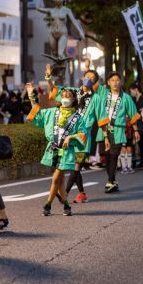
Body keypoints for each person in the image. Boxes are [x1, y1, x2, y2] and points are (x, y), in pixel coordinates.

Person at [47, 64, 108, 203]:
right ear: (83, 77)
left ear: (95, 82)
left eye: (92, 78)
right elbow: (55, 91)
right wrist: (49, 78)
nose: (89, 80)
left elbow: (102, 118)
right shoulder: (73, 92)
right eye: (87, 77)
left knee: (76, 166)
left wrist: (106, 137)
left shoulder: (96, 98)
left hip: (82, 137)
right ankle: (82, 193)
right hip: (68, 134)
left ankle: (65, 194)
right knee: (69, 166)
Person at [26, 84, 88, 216]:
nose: (66, 98)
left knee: (56, 178)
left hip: (66, 151)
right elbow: (37, 114)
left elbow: (83, 135)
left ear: (73, 100)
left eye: (69, 96)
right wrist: (31, 96)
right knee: (60, 179)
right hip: (53, 148)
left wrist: (71, 137)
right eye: (64, 96)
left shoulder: (78, 118)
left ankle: (47, 205)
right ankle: (66, 206)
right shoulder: (52, 112)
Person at [97, 72, 140, 193]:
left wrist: (136, 130)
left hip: (118, 130)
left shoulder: (126, 98)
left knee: (114, 156)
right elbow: (92, 85)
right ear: (108, 82)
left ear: (120, 82)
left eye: (117, 80)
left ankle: (110, 181)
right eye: (112, 80)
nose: (115, 82)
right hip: (104, 130)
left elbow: (133, 115)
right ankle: (113, 180)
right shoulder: (103, 94)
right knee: (106, 157)